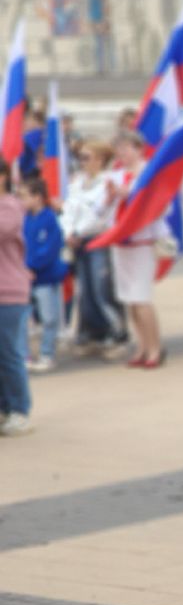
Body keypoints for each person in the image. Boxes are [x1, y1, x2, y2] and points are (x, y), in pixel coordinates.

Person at [107, 129, 170, 368]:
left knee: (142, 298)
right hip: (121, 242)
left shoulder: (149, 173)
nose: (122, 152)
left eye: (126, 147)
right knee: (130, 300)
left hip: (142, 242)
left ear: (138, 148)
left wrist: (130, 195)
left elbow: (160, 206)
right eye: (119, 148)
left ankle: (155, 349)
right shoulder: (116, 175)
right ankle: (141, 347)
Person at [60, 139, 125, 353]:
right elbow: (69, 208)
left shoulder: (108, 183)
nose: (82, 162)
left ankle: (117, 333)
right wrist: (69, 231)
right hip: (78, 241)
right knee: (85, 289)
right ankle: (93, 332)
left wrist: (79, 232)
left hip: (97, 239)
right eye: (80, 158)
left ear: (100, 159)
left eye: (86, 158)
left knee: (101, 288)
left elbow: (100, 214)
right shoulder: (78, 182)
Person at [0, 158, 33, 435]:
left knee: (9, 353)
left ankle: (19, 410)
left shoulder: (10, 206)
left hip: (8, 292)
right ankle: (3, 408)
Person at [22, 179, 67, 374]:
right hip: (25, 277)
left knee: (49, 317)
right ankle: (25, 355)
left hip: (45, 277)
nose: (21, 201)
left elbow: (50, 248)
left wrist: (32, 266)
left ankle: (47, 353)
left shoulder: (50, 219)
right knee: (23, 318)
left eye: (24, 196)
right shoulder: (25, 219)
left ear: (37, 197)